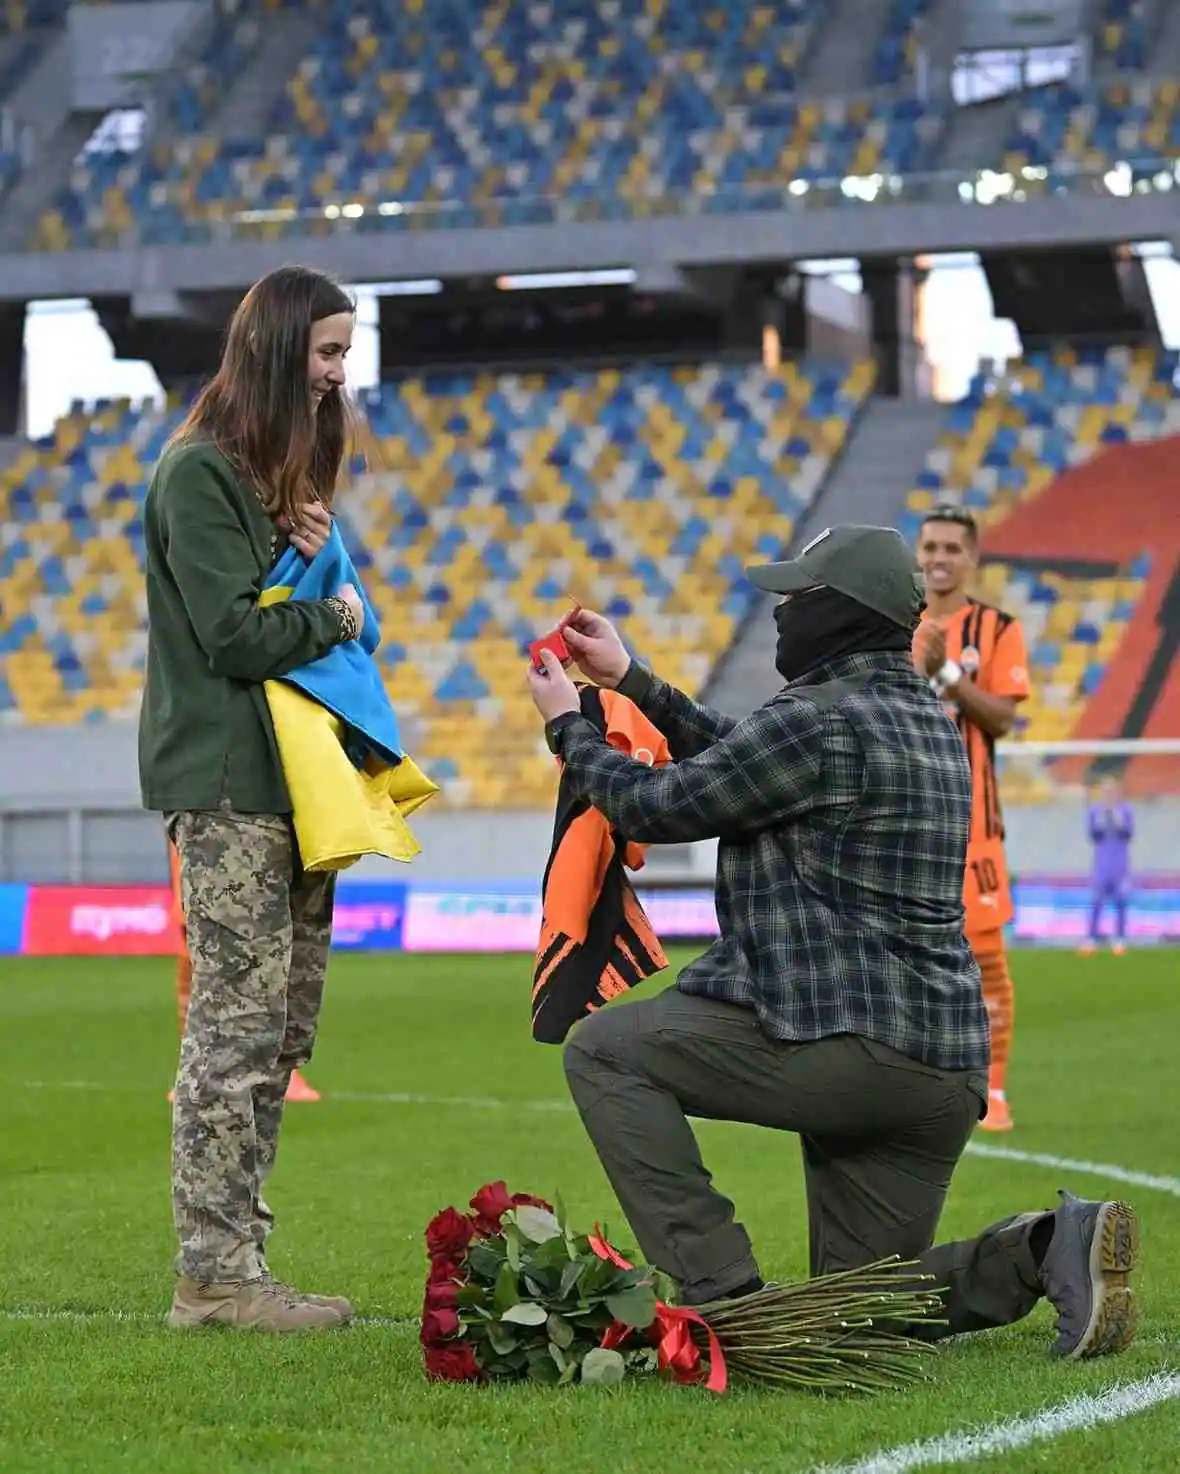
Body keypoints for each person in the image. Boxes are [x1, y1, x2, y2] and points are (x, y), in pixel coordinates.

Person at [526, 524, 1139, 1363]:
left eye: (797, 599)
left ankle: (724, 1297)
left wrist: (571, 730)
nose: (782, 616)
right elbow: (748, 764)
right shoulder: (921, 715)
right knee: (850, 1314)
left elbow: (659, 807)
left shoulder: (815, 719)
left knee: (605, 1052)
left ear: (839, 612)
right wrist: (632, 682)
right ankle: (1043, 1249)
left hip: (841, 1043)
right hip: (940, 1070)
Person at [140, 265, 367, 1332]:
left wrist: (305, 565)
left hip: (294, 789)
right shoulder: (196, 474)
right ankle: (213, 1275)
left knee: (280, 1032)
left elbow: (267, 602)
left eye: (343, 353)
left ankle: (240, 1259)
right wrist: (335, 617)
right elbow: (234, 636)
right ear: (279, 348)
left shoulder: (275, 482)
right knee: (232, 1033)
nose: (337, 374)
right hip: (229, 783)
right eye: (326, 352)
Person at [913, 505, 1029, 1134]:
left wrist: (948, 674)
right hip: (904, 819)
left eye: (953, 547)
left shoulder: (997, 629)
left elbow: (1004, 719)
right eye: (930, 545)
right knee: (897, 953)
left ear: (972, 557)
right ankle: (912, 1082)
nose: (939, 557)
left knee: (984, 956)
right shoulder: (892, 628)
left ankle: (995, 1087)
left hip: (973, 822)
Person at [165, 839, 322, 1103]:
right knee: (201, 955)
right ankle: (199, 1067)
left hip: (254, 839)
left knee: (268, 951)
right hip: (208, 838)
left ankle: (275, 1065)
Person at [1082, 777, 1134, 956]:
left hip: (1120, 864)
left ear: (1117, 792)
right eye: (1105, 791)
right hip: (1101, 864)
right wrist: (1102, 818)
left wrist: (1118, 817)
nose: (1109, 794)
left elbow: (1129, 834)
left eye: (1112, 791)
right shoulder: (1095, 811)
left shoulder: (1126, 810)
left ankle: (1119, 939)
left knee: (1121, 902)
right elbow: (1092, 835)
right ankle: (1091, 939)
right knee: (1097, 901)